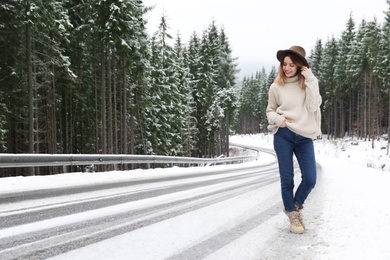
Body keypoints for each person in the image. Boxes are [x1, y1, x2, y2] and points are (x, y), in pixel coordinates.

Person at [266, 45, 322, 234]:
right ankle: (292, 215)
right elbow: (270, 111)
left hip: (304, 136)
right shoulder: (276, 86)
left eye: (291, 64)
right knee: (287, 178)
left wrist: (311, 79)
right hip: (284, 135)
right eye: (284, 64)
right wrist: (279, 120)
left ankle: (295, 205)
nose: (287, 68)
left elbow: (314, 106)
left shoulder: (307, 84)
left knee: (310, 178)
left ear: (300, 66)